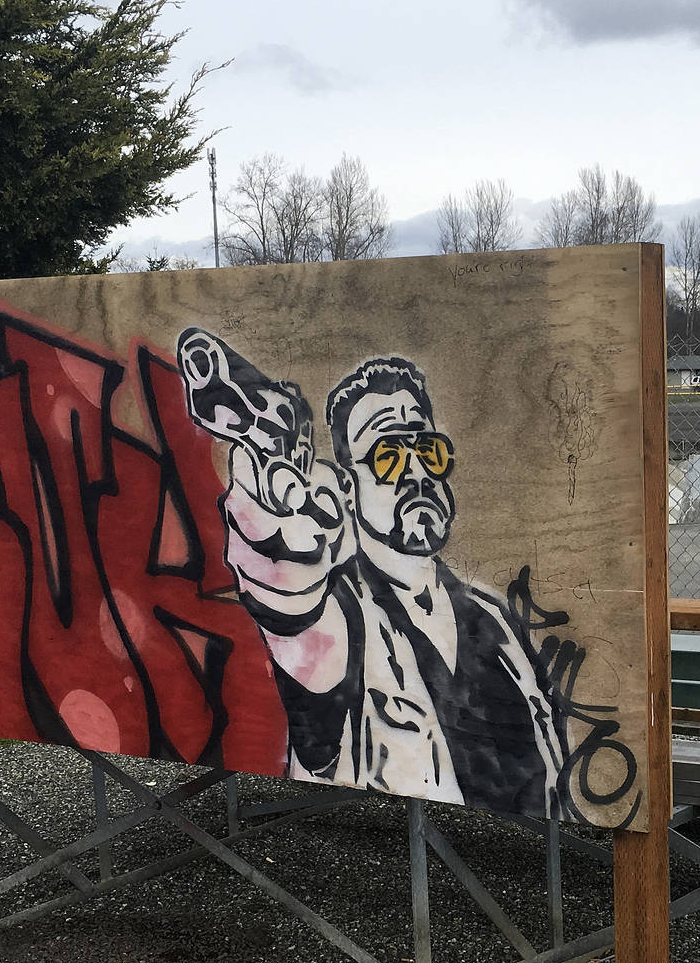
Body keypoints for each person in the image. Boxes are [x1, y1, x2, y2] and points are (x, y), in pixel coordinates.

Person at [181, 330, 569, 816]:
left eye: (428, 451)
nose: (416, 472)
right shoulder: (339, 621)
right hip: (398, 866)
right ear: (345, 487)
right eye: (387, 455)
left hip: (516, 868)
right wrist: (272, 510)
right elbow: (287, 599)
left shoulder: (492, 620)